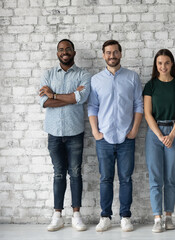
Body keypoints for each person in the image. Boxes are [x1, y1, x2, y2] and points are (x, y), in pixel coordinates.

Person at [88, 40, 143, 232]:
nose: (112, 56)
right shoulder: (96, 80)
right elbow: (93, 106)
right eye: (108, 52)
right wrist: (95, 132)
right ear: (103, 55)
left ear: (120, 54)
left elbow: (138, 105)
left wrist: (135, 129)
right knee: (105, 178)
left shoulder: (132, 77)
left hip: (126, 137)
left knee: (126, 178)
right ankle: (105, 216)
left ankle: (125, 216)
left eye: (115, 52)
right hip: (104, 138)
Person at [39, 39, 91, 232]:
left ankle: (76, 215)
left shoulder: (83, 74)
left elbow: (81, 98)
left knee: (75, 173)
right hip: (53, 132)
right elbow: (43, 102)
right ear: (57, 53)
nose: (64, 52)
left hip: (74, 132)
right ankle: (57, 215)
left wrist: (54, 95)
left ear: (74, 52)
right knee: (58, 173)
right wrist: (69, 97)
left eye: (68, 49)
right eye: (61, 50)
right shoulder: (49, 74)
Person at [143, 49, 175, 233]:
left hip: (174, 132)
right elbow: (147, 113)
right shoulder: (150, 86)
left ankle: (169, 216)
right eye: (160, 63)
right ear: (156, 65)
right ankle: (157, 218)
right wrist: (161, 135)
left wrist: (171, 135)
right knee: (155, 177)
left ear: (172, 64)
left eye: (167, 63)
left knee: (170, 177)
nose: (163, 66)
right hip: (154, 133)